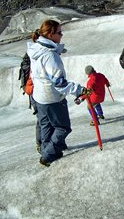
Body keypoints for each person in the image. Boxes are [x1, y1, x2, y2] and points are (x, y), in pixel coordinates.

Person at [27, 19, 91, 167]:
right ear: (50, 35)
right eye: (59, 32)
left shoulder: (36, 49)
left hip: (39, 96)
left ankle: (46, 150)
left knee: (46, 126)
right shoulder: (50, 56)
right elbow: (60, 83)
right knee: (63, 127)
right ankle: (48, 156)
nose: (62, 35)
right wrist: (80, 90)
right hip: (52, 98)